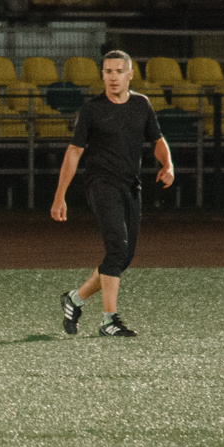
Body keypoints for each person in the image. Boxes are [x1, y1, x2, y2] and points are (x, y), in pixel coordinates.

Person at [49, 49, 174, 337]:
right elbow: (73, 152)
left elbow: (157, 139)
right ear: (102, 75)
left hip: (130, 185)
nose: (113, 77)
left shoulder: (141, 105)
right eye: (108, 71)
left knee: (123, 257)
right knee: (116, 249)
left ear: (130, 74)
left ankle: (74, 299)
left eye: (119, 71)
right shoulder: (92, 110)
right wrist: (60, 196)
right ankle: (109, 321)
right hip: (101, 184)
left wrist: (168, 164)